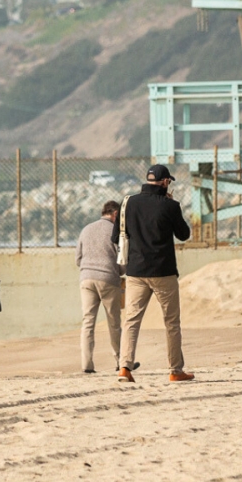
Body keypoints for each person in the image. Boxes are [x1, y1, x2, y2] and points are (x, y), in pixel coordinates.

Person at [110, 164, 194, 383]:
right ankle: (175, 370)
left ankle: (124, 368)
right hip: (163, 271)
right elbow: (184, 234)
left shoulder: (128, 203)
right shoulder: (170, 206)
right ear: (166, 182)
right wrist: (171, 204)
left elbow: (115, 237)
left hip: (136, 271)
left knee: (131, 320)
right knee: (172, 323)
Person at [76, 200, 124, 374]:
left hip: (86, 279)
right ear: (115, 214)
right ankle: (121, 362)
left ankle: (87, 365)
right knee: (114, 323)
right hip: (108, 279)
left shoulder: (86, 229)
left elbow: (78, 259)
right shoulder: (116, 231)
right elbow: (122, 261)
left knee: (88, 322)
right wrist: (119, 272)